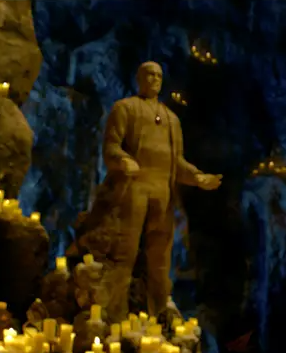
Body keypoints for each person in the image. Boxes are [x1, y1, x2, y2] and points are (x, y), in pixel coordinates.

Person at [87, 61, 222, 321]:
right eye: (149, 74)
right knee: (123, 254)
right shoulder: (125, 108)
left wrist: (197, 177)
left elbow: (177, 161)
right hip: (134, 192)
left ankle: (159, 316)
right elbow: (111, 146)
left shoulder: (172, 119)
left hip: (163, 195)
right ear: (139, 78)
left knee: (160, 259)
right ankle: (113, 316)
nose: (154, 79)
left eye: (159, 75)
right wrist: (123, 160)